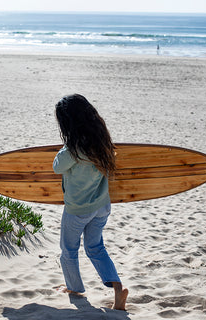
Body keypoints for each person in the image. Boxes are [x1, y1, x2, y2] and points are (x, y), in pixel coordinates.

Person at [53, 94, 128, 310]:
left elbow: (57, 167)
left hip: (77, 210)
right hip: (102, 207)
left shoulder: (73, 150)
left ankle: (74, 288)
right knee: (96, 247)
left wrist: (66, 145)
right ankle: (117, 289)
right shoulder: (102, 143)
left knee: (68, 249)